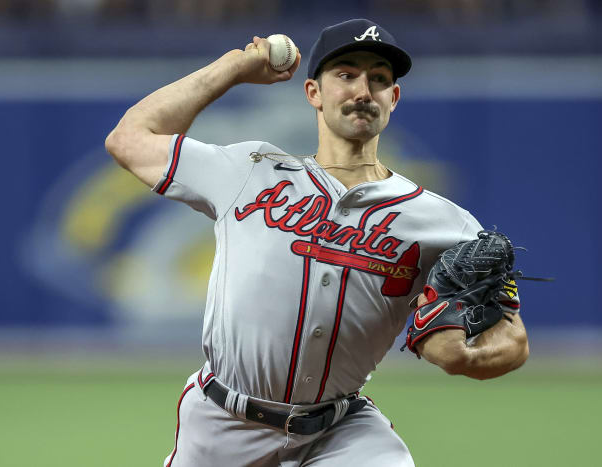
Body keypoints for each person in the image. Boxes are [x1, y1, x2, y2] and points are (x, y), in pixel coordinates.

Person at [105, 18, 529, 467]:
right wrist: (231, 68)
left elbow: (514, 339)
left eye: (379, 79)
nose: (363, 90)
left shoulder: (444, 224)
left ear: (393, 98)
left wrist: (467, 354)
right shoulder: (249, 170)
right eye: (346, 75)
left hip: (340, 431)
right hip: (221, 423)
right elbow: (130, 140)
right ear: (313, 93)